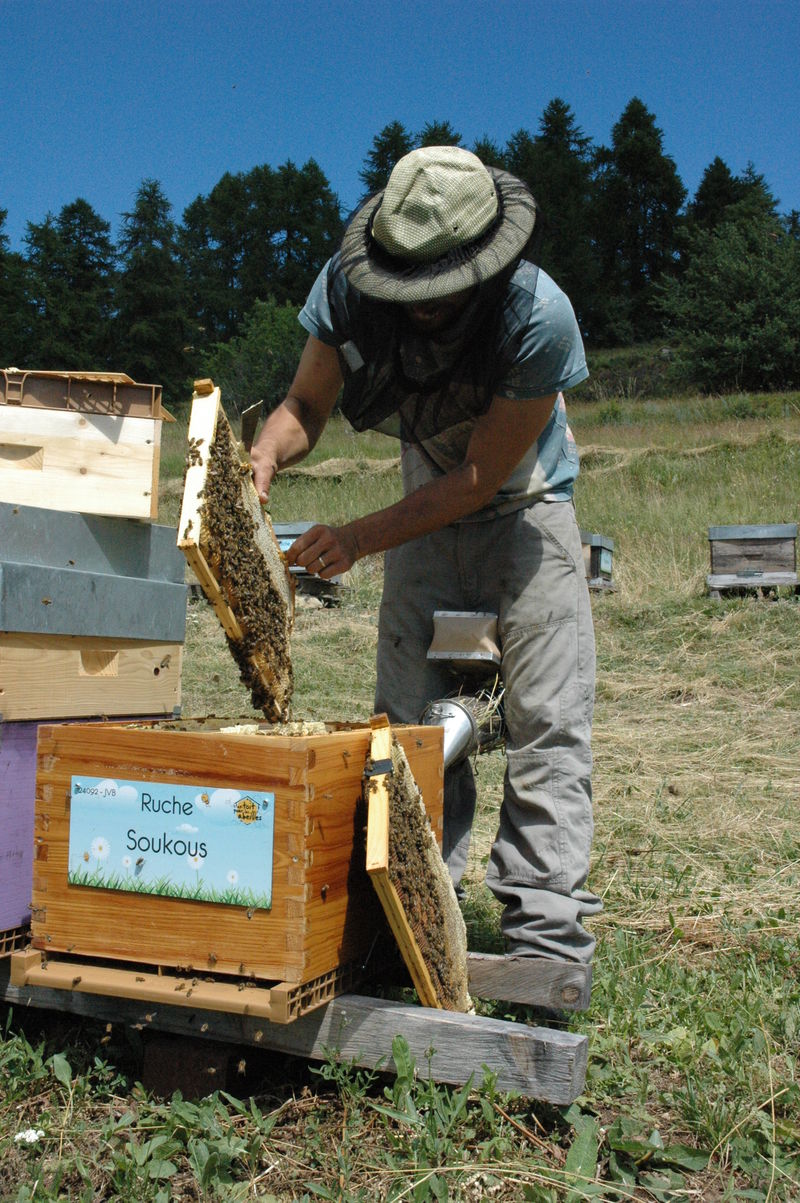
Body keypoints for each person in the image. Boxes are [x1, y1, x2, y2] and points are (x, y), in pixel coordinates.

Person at [251, 146, 600, 964]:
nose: (422, 308)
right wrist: (264, 454)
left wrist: (358, 538)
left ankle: (544, 940)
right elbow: (305, 402)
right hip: (424, 516)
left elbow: (480, 477)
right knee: (409, 722)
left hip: (526, 511)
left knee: (545, 718)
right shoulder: (344, 289)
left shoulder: (538, 315)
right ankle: (412, 911)